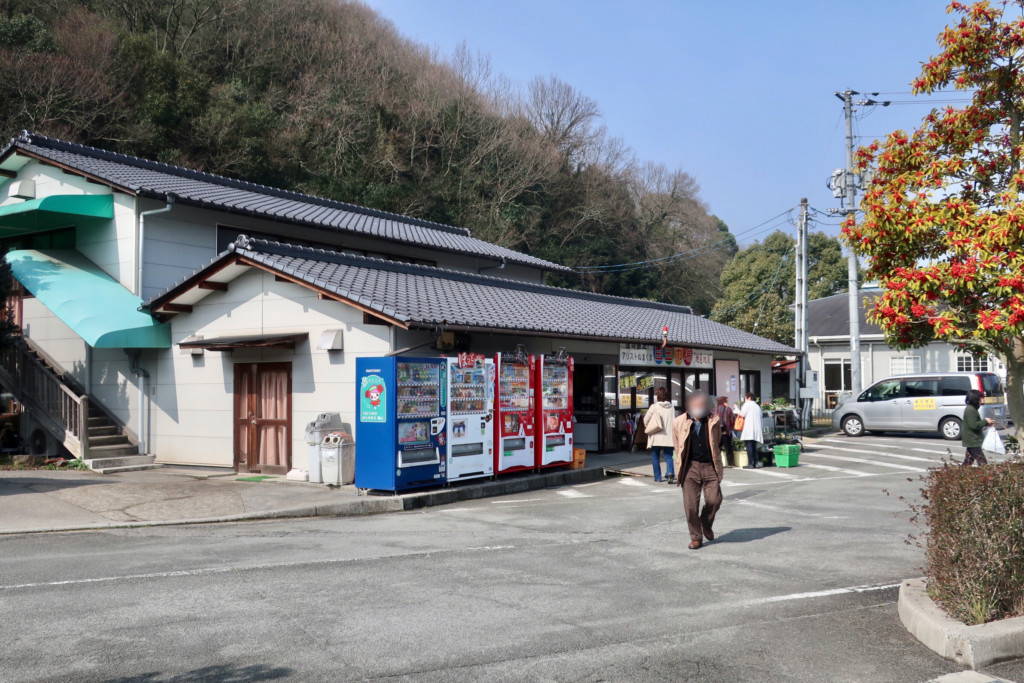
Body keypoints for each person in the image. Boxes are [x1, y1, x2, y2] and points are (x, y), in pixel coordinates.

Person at [672, 390, 723, 550]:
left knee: (714, 500)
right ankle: (696, 537)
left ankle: (706, 523)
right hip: (690, 467)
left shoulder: (714, 420)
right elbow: (677, 444)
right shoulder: (679, 422)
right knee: (690, 506)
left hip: (710, 466)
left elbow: (717, 441)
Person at [643, 387, 676, 484]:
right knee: (669, 457)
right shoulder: (671, 407)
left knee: (655, 457)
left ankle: (658, 477)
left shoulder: (654, 407)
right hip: (669, 437)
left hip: (656, 436)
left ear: (658, 396)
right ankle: (670, 472)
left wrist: (649, 427)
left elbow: (645, 420)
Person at [962, 389, 994, 466]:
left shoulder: (972, 408)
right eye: (980, 398)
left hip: (972, 440)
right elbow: (974, 425)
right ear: (976, 399)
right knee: (983, 463)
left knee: (968, 462)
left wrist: (986, 423)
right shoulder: (971, 410)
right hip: (973, 440)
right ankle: (985, 477)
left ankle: (958, 476)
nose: (982, 399)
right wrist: (985, 421)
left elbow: (975, 424)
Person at [737, 392, 764, 469]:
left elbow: (742, 414)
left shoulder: (747, 405)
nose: (744, 400)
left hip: (749, 429)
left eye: (745, 398)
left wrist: (736, 409)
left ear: (749, 398)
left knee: (749, 447)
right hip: (757, 429)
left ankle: (750, 464)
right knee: (754, 447)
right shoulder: (757, 406)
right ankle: (756, 463)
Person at [715, 396, 735, 466]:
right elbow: (732, 420)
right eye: (727, 401)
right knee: (728, 448)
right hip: (726, 432)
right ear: (724, 402)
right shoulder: (728, 409)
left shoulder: (714, 410)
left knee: (717, 449)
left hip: (717, 433)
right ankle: (730, 464)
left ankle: (717, 464)